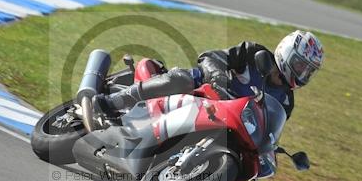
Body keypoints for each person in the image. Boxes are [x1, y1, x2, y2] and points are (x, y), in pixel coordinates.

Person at [94, 30, 325, 121]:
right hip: (201, 90)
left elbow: (269, 127)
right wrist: (217, 76)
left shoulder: (286, 101)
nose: (303, 73)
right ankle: (115, 101)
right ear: (286, 53)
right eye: (301, 65)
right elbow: (211, 57)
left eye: (309, 71)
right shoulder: (253, 53)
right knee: (182, 79)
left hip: (223, 119)